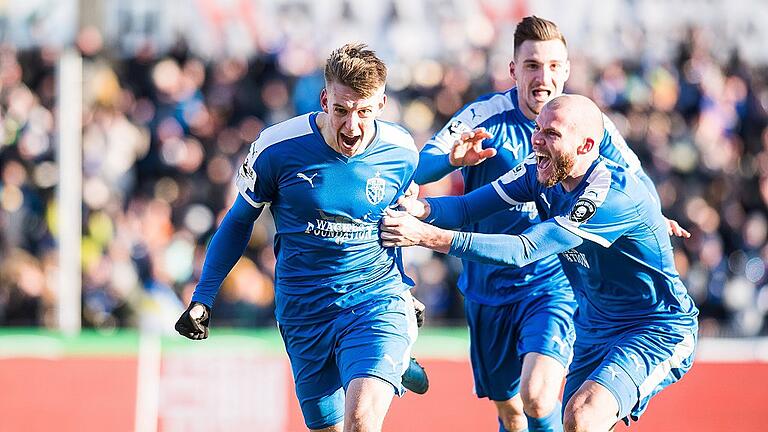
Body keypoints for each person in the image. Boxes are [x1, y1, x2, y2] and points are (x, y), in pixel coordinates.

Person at [414, 16, 687, 432]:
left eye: (555, 66)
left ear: (568, 70)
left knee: (541, 396)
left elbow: (636, 181)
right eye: (533, 66)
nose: (545, 77)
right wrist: (443, 173)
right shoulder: (486, 119)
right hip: (487, 284)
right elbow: (428, 174)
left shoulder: (587, 126)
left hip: (550, 278)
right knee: (511, 411)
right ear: (513, 70)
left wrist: (649, 214)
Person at [175, 43, 427, 432]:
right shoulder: (278, 148)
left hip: (374, 300)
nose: (352, 126)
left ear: (381, 105)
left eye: (364, 112)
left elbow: (393, 220)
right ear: (325, 99)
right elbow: (238, 223)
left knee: (360, 421)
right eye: (341, 110)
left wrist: (404, 291)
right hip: (304, 310)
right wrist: (203, 296)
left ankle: (393, 344)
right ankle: (397, 359)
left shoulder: (402, 151)